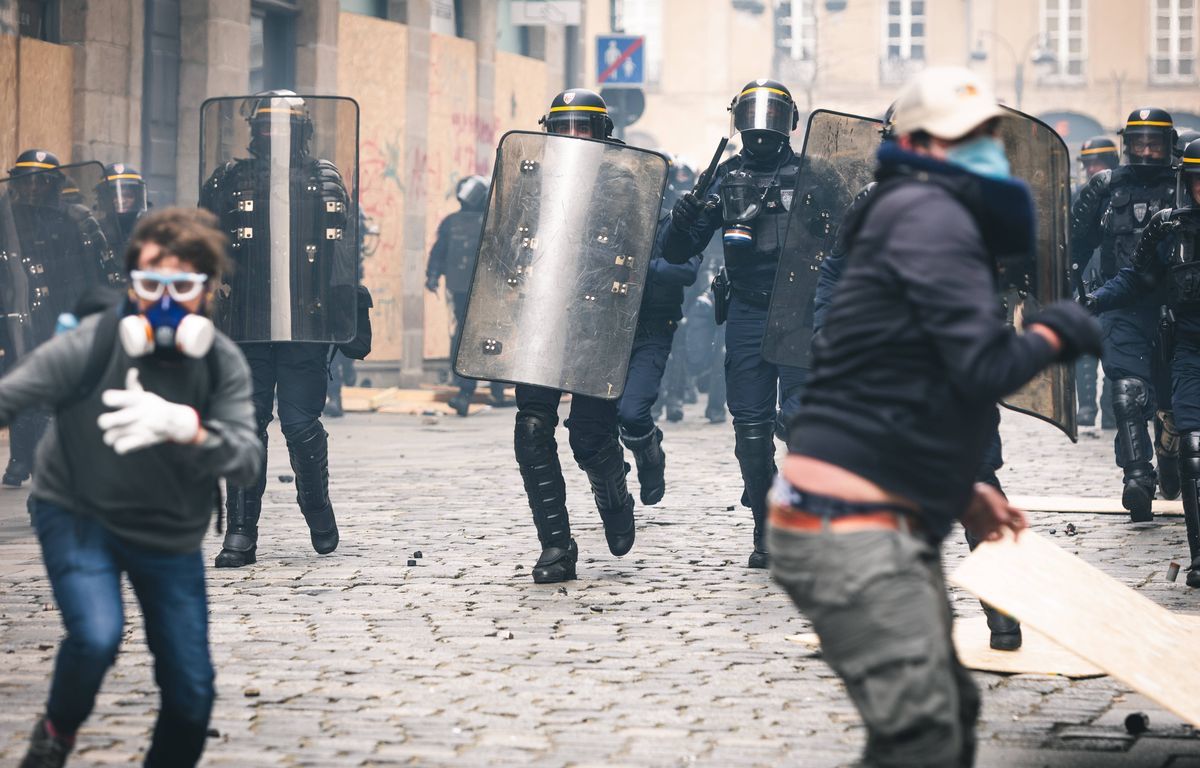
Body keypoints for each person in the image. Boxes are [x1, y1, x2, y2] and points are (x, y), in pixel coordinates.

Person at [768, 67, 1100, 767]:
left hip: (875, 512)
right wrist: (1057, 331)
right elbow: (981, 367)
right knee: (922, 737)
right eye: (962, 136)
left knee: (949, 713)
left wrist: (961, 489)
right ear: (916, 141)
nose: (980, 147)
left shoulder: (915, 213)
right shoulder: (928, 214)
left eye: (987, 134)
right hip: (848, 527)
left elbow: (909, 378)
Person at [14, 208, 261, 768]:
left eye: (183, 285)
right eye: (150, 284)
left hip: (166, 528)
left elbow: (246, 459)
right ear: (130, 285)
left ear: (207, 290)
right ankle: (56, 733)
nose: (165, 300)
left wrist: (188, 427)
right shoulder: (92, 342)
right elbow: (13, 395)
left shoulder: (221, 362)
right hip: (77, 512)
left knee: (192, 690)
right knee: (99, 634)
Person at [200, 91, 356, 567]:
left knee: (299, 423)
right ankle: (242, 534)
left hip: (306, 320)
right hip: (244, 319)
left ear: (304, 132)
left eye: (285, 127)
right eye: (267, 126)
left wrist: (346, 305)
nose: (275, 135)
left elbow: (344, 250)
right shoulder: (229, 178)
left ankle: (317, 509)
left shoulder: (322, 177)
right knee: (246, 425)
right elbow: (201, 239)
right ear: (255, 131)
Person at [656, 78, 808, 569]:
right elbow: (680, 251)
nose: (761, 128)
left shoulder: (810, 176)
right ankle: (765, 527)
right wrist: (684, 217)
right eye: (752, 115)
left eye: (772, 116)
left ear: (791, 123)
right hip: (746, 308)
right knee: (750, 428)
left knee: (802, 423)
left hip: (799, 311)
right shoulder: (723, 177)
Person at [508, 88, 643, 583]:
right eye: (564, 127)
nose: (574, 136)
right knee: (532, 428)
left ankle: (616, 497)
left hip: (599, 322)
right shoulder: (531, 184)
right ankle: (556, 546)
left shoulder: (626, 185)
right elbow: (506, 248)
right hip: (542, 321)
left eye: (584, 127)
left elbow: (645, 258)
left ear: (603, 133)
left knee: (589, 437)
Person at [1087, 138, 1200, 587]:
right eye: (1197, 182)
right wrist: (1093, 298)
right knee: (1193, 448)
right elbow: (1137, 278)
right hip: (1190, 349)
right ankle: (1199, 558)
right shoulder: (1166, 226)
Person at [1071, 108, 1179, 520]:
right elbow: (1074, 249)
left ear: (1168, 144)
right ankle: (1137, 476)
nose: (1147, 151)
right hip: (1120, 304)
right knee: (1127, 391)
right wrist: (1075, 299)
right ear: (1126, 144)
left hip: (1173, 309)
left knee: (1170, 402)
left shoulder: (1186, 184)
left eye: (1154, 143)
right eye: (1139, 143)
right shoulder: (1104, 187)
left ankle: (1170, 459)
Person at [1, 150, 112, 489]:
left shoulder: (75, 219)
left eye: (41, 181)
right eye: (27, 181)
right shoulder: (4, 219)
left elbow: (96, 273)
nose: (33, 188)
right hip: (16, 317)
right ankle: (23, 456)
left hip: (64, 317)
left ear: (54, 184)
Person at [426, 174, 510, 415]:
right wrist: (432, 275)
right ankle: (469, 391)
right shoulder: (459, 222)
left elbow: (504, 257)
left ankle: (488, 388)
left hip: (486, 291)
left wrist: (432, 275)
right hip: (469, 290)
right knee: (472, 339)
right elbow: (440, 251)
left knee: (482, 339)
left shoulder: (491, 223)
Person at [1074, 137, 1121, 428]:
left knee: (1114, 348)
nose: (1092, 169)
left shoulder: (1121, 191)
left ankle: (1111, 410)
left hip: (1114, 280)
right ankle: (1087, 408)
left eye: (1098, 163)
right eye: (1088, 164)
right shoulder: (1079, 195)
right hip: (1084, 279)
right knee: (1083, 348)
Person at [95, 162, 149, 265]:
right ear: (105, 199)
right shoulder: (96, 229)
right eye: (114, 196)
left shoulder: (148, 229)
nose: (121, 200)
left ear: (137, 198)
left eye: (128, 196)